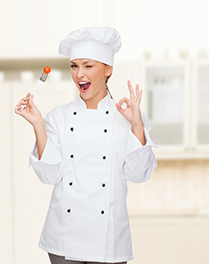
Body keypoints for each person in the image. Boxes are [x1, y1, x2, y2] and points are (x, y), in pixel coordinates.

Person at [14, 26, 157, 264]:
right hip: (64, 238)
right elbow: (50, 176)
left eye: (88, 66)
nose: (80, 74)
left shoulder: (129, 117)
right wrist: (38, 124)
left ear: (108, 70)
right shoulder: (58, 117)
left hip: (109, 240)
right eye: (74, 66)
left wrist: (136, 126)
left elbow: (140, 174)